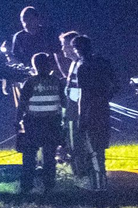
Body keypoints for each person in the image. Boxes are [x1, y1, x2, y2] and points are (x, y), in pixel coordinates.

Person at [70, 35, 118, 191]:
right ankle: (99, 181)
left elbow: (83, 95)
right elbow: (116, 84)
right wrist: (105, 97)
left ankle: (98, 185)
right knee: (101, 147)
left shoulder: (83, 67)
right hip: (103, 108)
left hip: (90, 111)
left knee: (93, 149)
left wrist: (81, 117)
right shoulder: (104, 62)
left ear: (78, 49)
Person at [16, 53, 64, 194]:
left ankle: (27, 187)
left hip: (34, 123)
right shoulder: (56, 82)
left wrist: (17, 121)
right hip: (52, 123)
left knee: (29, 156)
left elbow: (22, 104)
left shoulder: (30, 82)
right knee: (49, 157)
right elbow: (64, 102)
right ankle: (49, 187)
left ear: (34, 66)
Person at [9, 6, 63, 77]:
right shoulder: (19, 37)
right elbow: (16, 57)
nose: (26, 24)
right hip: (29, 74)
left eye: (30, 19)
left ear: (37, 19)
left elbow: (58, 52)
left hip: (51, 72)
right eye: (24, 21)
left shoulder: (49, 32)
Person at [60, 30, 83, 175]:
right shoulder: (74, 63)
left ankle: (81, 172)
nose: (62, 49)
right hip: (71, 110)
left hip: (76, 111)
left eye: (64, 45)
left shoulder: (80, 64)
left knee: (76, 143)